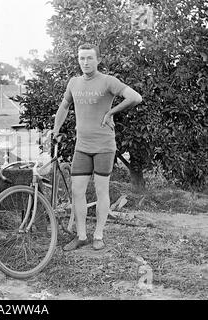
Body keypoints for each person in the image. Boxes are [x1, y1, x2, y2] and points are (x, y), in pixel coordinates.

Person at [52, 43, 142, 251]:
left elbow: (135, 97)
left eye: (90, 58)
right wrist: (55, 130)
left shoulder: (108, 81)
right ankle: (82, 235)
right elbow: (64, 107)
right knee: (77, 191)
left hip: (103, 146)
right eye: (82, 58)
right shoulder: (73, 83)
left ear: (98, 60)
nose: (85, 62)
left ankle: (98, 235)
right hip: (81, 147)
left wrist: (111, 113)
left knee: (101, 191)